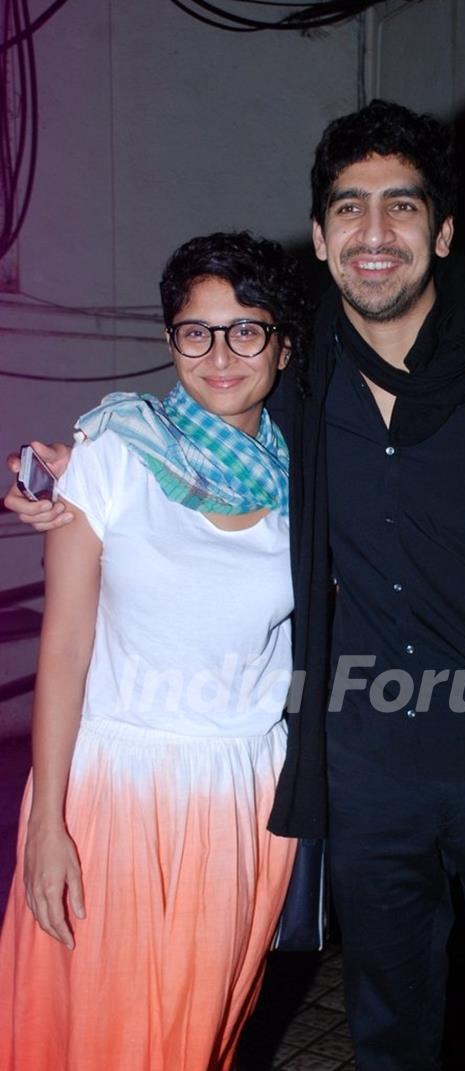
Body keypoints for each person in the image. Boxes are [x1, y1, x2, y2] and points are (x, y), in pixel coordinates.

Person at [5, 101, 465, 1071]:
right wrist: (77, 464)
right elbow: (185, 417)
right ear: (319, 238)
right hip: (364, 777)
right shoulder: (302, 391)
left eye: (401, 207)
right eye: (349, 209)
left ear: (443, 230)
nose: (374, 232)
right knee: (389, 1037)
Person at [0, 230, 309, 1071]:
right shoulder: (112, 450)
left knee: (196, 1038)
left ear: (284, 344)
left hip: (243, 795)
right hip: (115, 788)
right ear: (170, 338)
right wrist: (48, 823)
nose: (220, 354)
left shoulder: (307, 486)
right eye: (195, 329)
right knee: (104, 1035)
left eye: (247, 328)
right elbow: (63, 648)